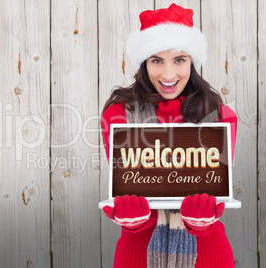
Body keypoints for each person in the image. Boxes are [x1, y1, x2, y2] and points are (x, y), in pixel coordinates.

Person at [101, 3, 237, 268]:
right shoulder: (118, 115)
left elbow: (215, 187)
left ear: (192, 62)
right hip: (138, 253)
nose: (168, 74)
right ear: (144, 63)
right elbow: (129, 183)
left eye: (179, 60)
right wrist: (133, 219)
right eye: (156, 60)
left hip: (206, 254)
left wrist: (202, 219)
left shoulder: (220, 116)